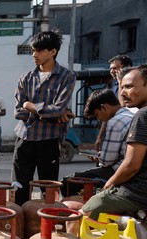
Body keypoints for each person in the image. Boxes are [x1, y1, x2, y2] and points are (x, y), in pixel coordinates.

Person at [13, 30, 76, 205]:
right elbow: (18, 112)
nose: (34, 55)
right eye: (33, 50)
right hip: (24, 138)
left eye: (39, 51)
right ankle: (20, 228)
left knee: (48, 189)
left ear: (53, 52)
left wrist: (31, 106)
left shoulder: (66, 77)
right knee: (19, 187)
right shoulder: (25, 78)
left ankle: (47, 229)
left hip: (49, 139)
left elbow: (58, 109)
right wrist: (50, 113)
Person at [82, 65, 147, 219]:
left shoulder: (142, 116)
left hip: (138, 192)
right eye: (122, 87)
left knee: (83, 214)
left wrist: (108, 185)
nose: (123, 93)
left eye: (129, 87)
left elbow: (131, 165)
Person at [61, 89, 134, 196]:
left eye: (97, 115)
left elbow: (107, 161)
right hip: (128, 168)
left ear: (103, 107)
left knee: (68, 182)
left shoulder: (115, 122)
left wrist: (100, 158)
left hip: (120, 171)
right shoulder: (130, 115)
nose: (99, 119)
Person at [93, 55, 133, 152]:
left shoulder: (133, 84)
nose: (112, 71)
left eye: (115, 68)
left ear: (127, 67)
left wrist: (120, 82)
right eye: (111, 69)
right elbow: (107, 114)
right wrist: (99, 137)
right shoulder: (114, 86)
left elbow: (122, 105)